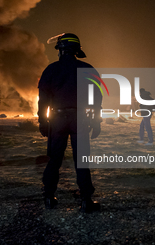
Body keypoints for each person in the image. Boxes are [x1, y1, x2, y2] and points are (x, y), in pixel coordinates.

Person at [38, 33, 102, 213]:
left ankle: (49, 197)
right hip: (80, 119)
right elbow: (97, 98)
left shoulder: (51, 69)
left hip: (57, 119)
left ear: (61, 50)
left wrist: (43, 121)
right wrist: (96, 122)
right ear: (77, 51)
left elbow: (43, 100)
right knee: (81, 161)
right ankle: (85, 200)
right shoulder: (88, 69)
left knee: (54, 159)